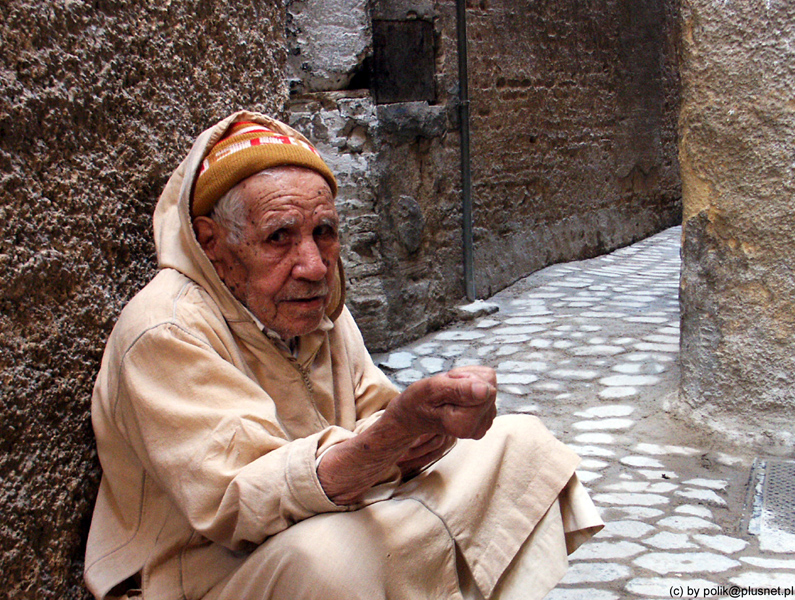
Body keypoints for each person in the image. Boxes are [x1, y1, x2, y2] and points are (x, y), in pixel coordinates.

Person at [84, 111, 602, 600]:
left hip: (333, 511)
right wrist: (388, 437)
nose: (312, 265)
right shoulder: (164, 330)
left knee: (521, 445)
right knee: (330, 562)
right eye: (279, 237)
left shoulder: (312, 302)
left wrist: (424, 423)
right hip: (208, 571)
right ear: (211, 242)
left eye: (323, 233)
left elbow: (373, 410)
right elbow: (237, 504)